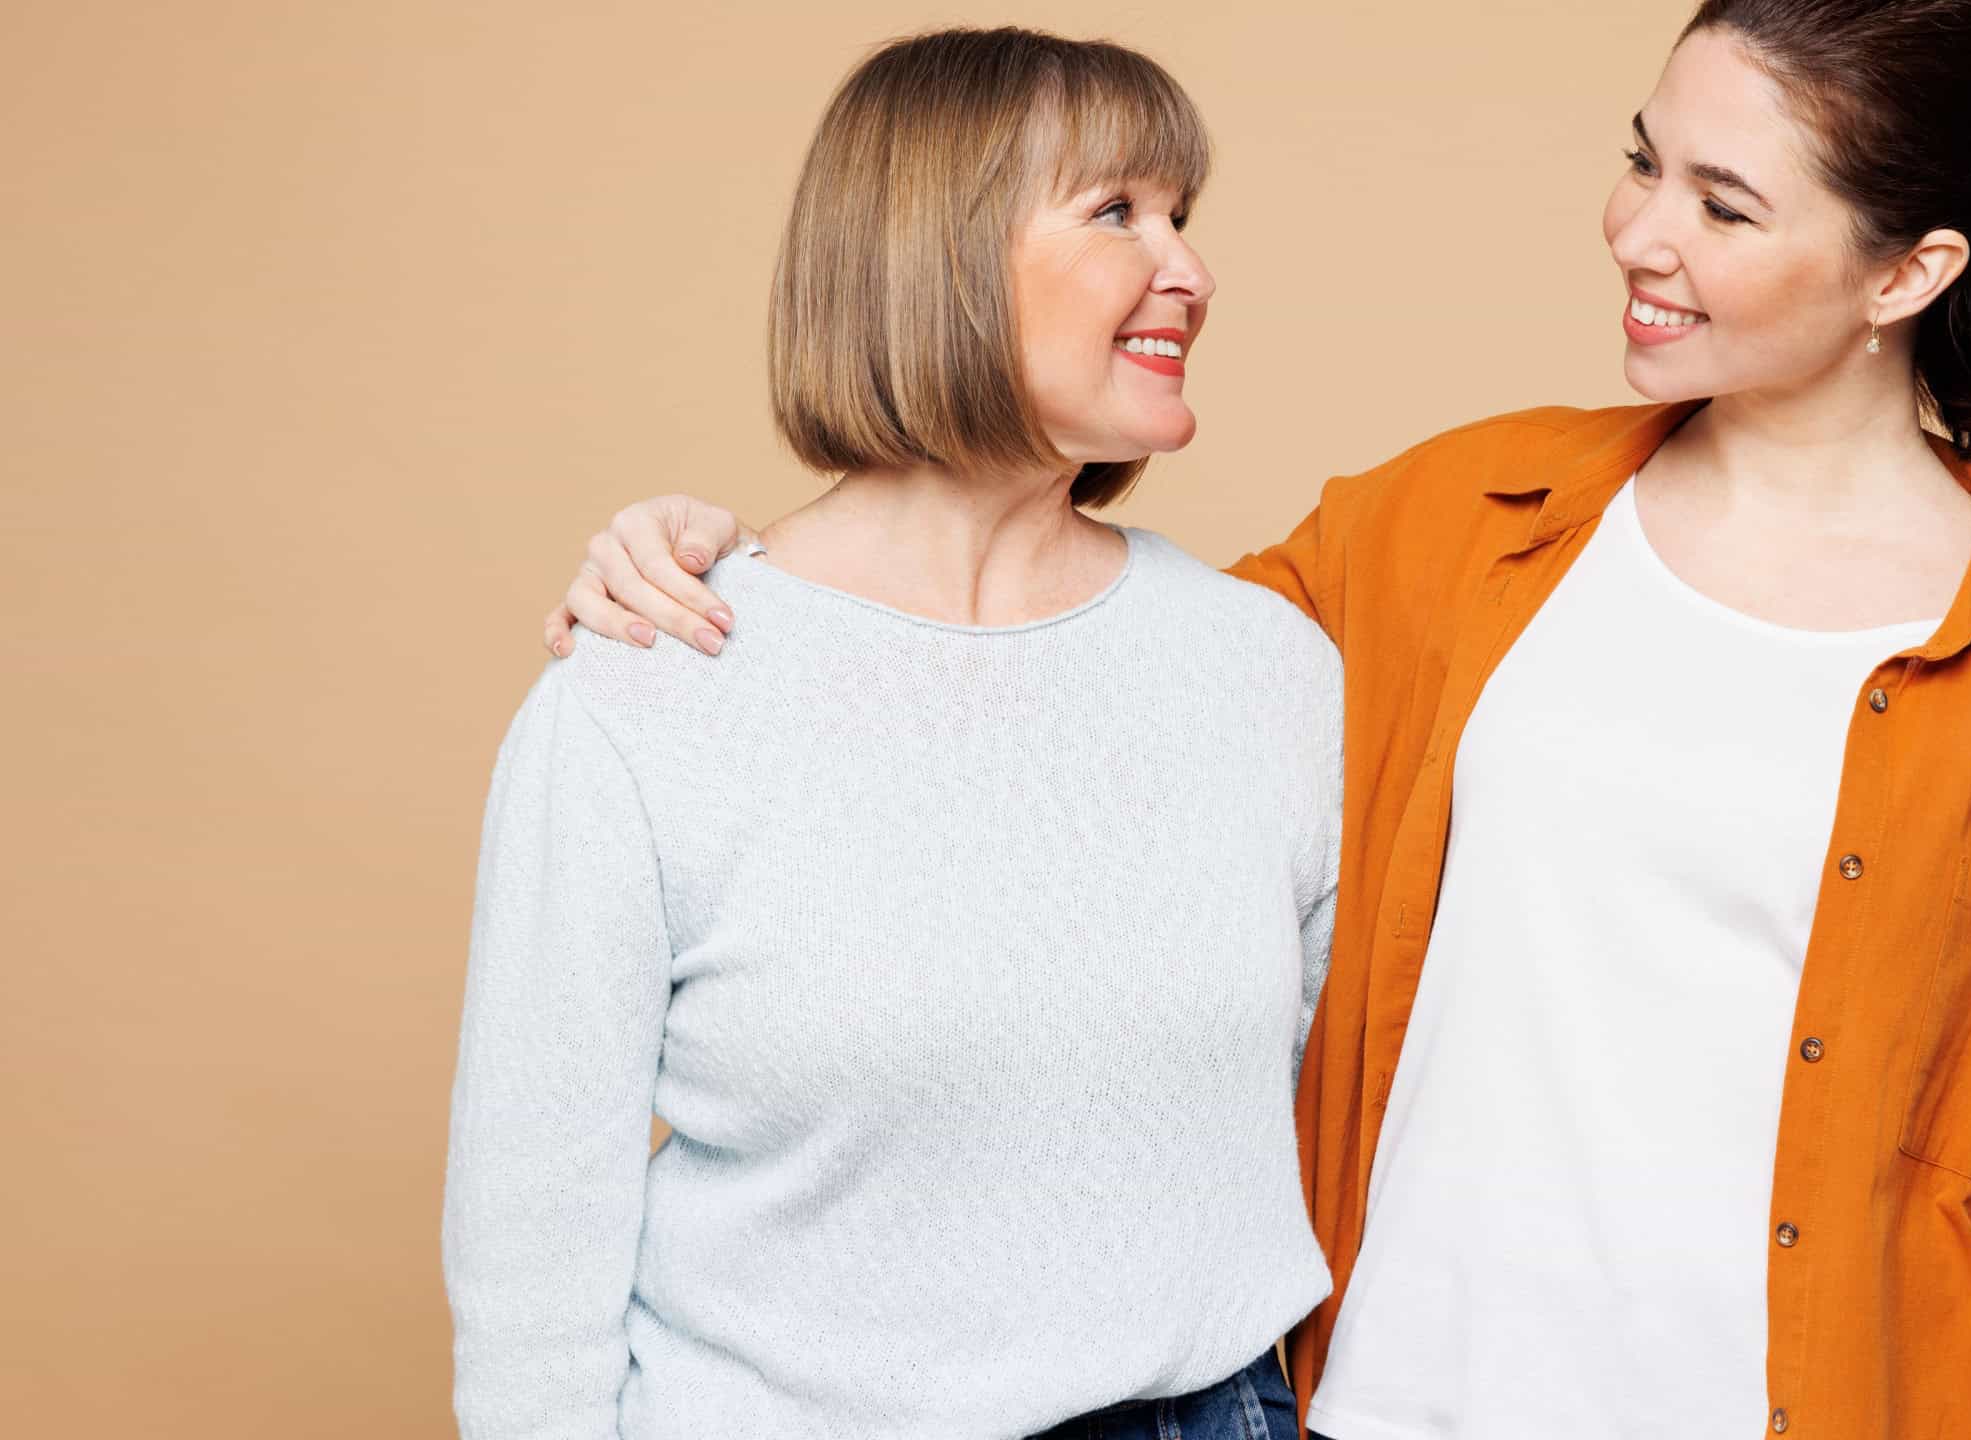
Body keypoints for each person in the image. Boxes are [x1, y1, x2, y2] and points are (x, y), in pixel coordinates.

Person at [543, 3, 1971, 1437]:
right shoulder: (1453, 524)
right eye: (1643, 162)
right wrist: (740, 572)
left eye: (1723, 203)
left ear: (1908, 270)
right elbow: (1043, 656)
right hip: (1377, 1405)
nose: (1639, 233)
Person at [444, 28, 1332, 1439]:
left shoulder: (1265, 670)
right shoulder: (651, 685)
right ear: (941, 254)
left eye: (1184, 214)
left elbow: (1335, 1104)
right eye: (1117, 211)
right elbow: (533, 1258)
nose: (1191, 271)